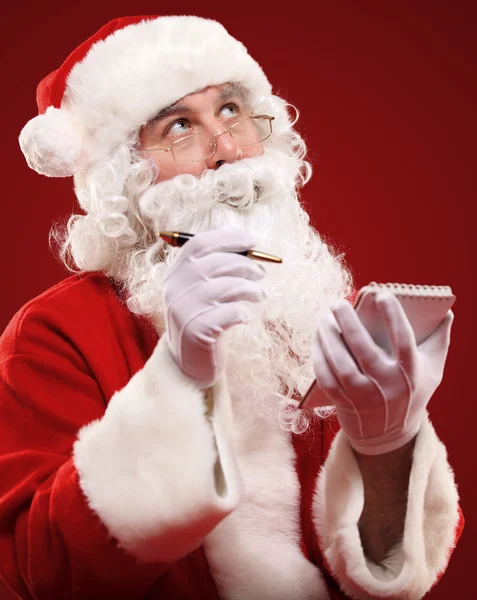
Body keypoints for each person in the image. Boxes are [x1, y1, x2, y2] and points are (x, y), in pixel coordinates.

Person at [0, 14, 464, 600]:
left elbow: (386, 572)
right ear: (125, 177)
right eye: (178, 126)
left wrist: (388, 448)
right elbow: (42, 573)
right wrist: (178, 376)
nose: (226, 150)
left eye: (230, 110)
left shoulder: (317, 309)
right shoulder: (55, 333)